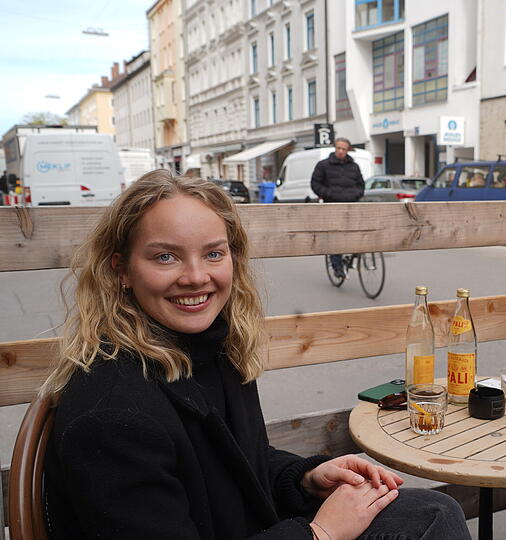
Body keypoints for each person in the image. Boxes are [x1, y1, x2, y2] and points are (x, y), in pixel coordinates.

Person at [41, 170, 470, 539]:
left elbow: (236, 465)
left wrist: (303, 477)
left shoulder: (208, 350)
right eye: (165, 256)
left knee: (435, 512)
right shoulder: (112, 412)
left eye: (213, 253)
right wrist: (320, 532)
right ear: (120, 271)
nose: (196, 277)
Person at [310, 137, 365, 279]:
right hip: (332, 206)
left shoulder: (354, 166)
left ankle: (353, 253)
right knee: (336, 236)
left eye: (344, 149)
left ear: (348, 150)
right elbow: (315, 184)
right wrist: (330, 194)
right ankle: (337, 266)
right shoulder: (323, 165)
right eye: (339, 148)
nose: (341, 151)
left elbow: (361, 185)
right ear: (335, 148)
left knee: (357, 231)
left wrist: (355, 195)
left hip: (351, 206)